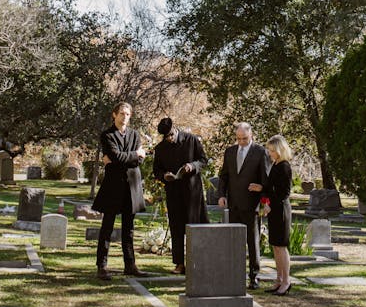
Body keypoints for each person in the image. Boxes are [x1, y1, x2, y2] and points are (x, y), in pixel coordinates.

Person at [92, 100, 146, 280]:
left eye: (128, 114)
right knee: (107, 227)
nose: (125, 117)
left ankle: (130, 265)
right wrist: (134, 155)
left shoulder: (134, 135)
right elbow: (116, 155)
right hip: (113, 186)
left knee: (128, 229)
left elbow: (135, 161)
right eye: (122, 113)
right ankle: (102, 266)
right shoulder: (107, 135)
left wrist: (122, 159)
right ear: (114, 115)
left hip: (132, 186)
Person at [152, 117, 209, 274]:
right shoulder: (161, 148)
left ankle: (198, 261)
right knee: (176, 228)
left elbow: (203, 160)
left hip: (193, 192)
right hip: (174, 192)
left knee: (195, 226)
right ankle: (179, 263)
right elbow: (156, 170)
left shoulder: (191, 140)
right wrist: (164, 176)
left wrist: (192, 166)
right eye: (166, 137)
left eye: (170, 135)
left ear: (174, 129)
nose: (169, 139)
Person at [217, 122, 270, 289]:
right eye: (238, 138)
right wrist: (221, 195)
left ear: (251, 135)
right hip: (233, 204)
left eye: (244, 138)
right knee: (234, 241)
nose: (241, 142)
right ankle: (235, 273)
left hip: (251, 204)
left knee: (252, 242)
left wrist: (264, 202)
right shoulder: (230, 152)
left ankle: (254, 276)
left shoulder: (260, 152)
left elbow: (265, 180)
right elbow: (224, 176)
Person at [250, 134, 293, 295]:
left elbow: (283, 193)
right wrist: (261, 190)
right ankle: (279, 279)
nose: (270, 153)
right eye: (269, 150)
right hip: (274, 209)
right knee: (275, 245)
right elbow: (270, 187)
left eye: (272, 150)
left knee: (281, 247)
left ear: (280, 150)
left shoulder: (285, 166)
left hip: (281, 210)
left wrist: (270, 205)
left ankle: (286, 280)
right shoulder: (276, 164)